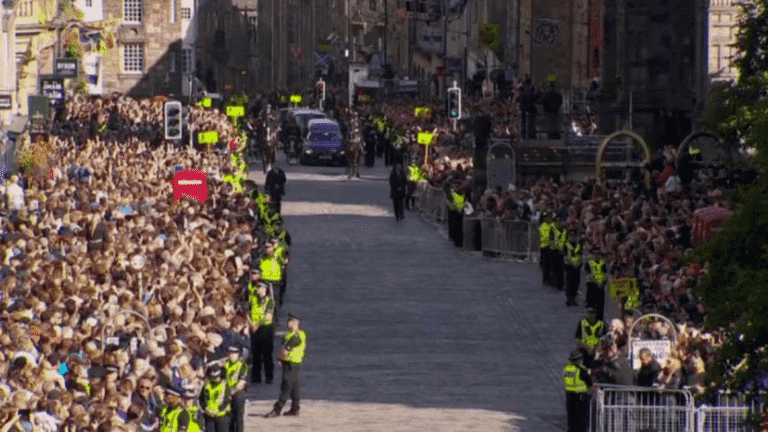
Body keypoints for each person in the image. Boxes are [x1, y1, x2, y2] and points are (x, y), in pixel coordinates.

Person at [264, 313, 307, 418]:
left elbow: (286, 350)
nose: (287, 323)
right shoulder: (290, 334)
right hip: (292, 363)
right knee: (294, 386)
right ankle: (295, 408)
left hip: (291, 363)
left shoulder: (297, 335)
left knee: (286, 387)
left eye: (289, 321)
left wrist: (279, 358)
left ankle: (277, 409)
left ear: (295, 323)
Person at [248, 282, 275, 385]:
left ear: (265, 289)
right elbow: (247, 311)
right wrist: (251, 324)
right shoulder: (253, 299)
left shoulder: (269, 302)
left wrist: (256, 326)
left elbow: (267, 317)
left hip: (265, 329)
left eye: (259, 288)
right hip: (254, 329)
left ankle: (269, 377)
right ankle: (256, 377)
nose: (257, 290)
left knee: (267, 354)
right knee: (255, 354)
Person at [563, 350, 593, 432]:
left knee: (571, 418)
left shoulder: (567, 368)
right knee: (581, 419)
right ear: (579, 359)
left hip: (569, 395)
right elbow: (589, 383)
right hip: (580, 397)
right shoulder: (581, 370)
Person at [223, 346, 248, 432]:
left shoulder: (242, 366)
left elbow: (241, 383)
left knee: (238, 417)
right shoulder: (224, 364)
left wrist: (231, 392)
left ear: (238, 355)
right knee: (228, 417)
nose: (231, 355)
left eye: (234, 353)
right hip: (225, 392)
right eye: (230, 353)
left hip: (237, 393)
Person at [200, 365, 231, 432]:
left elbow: (227, 400)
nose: (216, 378)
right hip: (209, 416)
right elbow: (201, 399)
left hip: (222, 415)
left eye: (217, 376)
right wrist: (205, 408)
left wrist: (217, 410)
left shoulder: (225, 384)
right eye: (214, 377)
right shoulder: (206, 385)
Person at [585, 248, 607, 322]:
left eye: (598, 254)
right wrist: (596, 282)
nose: (596, 255)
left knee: (600, 305)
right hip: (592, 286)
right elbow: (588, 275)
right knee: (592, 305)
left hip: (601, 286)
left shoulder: (602, 263)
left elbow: (605, 274)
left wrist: (603, 282)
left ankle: (600, 320)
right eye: (594, 254)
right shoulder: (589, 263)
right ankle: (592, 320)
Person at [564, 229, 584, 307]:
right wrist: (572, 264)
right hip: (569, 265)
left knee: (576, 283)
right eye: (571, 236)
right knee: (569, 283)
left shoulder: (579, 244)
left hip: (577, 265)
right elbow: (565, 256)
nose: (573, 237)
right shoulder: (567, 245)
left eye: (574, 235)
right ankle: (569, 299)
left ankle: (574, 298)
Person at [446, 182, 467, 248]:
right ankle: (457, 241)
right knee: (457, 226)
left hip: (455, 210)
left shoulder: (454, 193)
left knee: (456, 226)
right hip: (456, 211)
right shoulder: (455, 193)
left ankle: (456, 240)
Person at [539, 213, 555, 287]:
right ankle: (546, 280)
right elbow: (545, 237)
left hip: (550, 247)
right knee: (546, 265)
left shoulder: (551, 225)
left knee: (551, 265)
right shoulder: (544, 226)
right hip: (546, 247)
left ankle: (549, 280)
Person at [551, 220, 568, 291]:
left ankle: (560, 285)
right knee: (555, 268)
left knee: (560, 269)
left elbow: (566, 241)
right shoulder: (554, 230)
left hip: (561, 252)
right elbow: (551, 240)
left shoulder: (565, 231)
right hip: (555, 251)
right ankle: (556, 284)